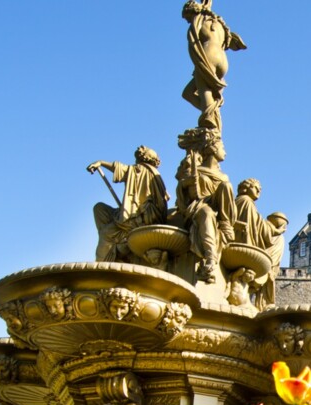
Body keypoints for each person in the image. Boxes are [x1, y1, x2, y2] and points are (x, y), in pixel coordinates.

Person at [87, 146, 169, 262]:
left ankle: (101, 268)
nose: (141, 149)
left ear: (145, 157)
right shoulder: (155, 175)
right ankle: (115, 252)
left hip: (136, 219)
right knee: (100, 209)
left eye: (143, 150)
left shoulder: (141, 169)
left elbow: (121, 169)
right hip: (134, 215)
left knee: (106, 234)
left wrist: (101, 163)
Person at [175, 129, 236, 282]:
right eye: (223, 148)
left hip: (218, 211)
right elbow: (183, 195)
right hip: (197, 208)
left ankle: (226, 223)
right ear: (213, 148)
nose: (225, 153)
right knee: (207, 213)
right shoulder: (196, 170)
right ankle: (210, 258)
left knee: (226, 186)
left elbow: (225, 197)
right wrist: (186, 183)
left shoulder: (223, 177)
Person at [182, 0, 246, 132]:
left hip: (209, 54)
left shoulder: (199, 20)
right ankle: (212, 111)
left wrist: (199, 61)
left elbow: (194, 41)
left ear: (192, 12)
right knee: (188, 93)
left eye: (187, 18)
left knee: (201, 91)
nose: (189, 22)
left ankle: (209, 117)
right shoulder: (218, 23)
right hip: (223, 60)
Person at [233, 178, 287, 307]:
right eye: (255, 187)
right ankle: (267, 280)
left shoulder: (246, 203)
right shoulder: (246, 202)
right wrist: (276, 231)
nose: (258, 190)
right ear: (246, 187)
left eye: (260, 189)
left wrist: (274, 229)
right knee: (278, 240)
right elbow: (257, 225)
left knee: (279, 240)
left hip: (244, 240)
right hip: (243, 242)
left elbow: (257, 223)